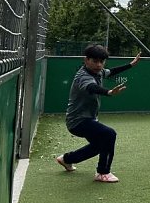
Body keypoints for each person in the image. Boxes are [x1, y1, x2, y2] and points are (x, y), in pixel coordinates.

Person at [56, 44, 141, 183]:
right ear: (86, 60)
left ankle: (66, 159)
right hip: (78, 122)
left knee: (100, 145)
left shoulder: (98, 71)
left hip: (88, 119)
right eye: (95, 61)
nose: (99, 65)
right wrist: (108, 92)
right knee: (109, 134)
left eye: (102, 61)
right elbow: (92, 87)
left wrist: (131, 65)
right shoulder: (83, 76)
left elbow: (110, 72)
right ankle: (103, 172)